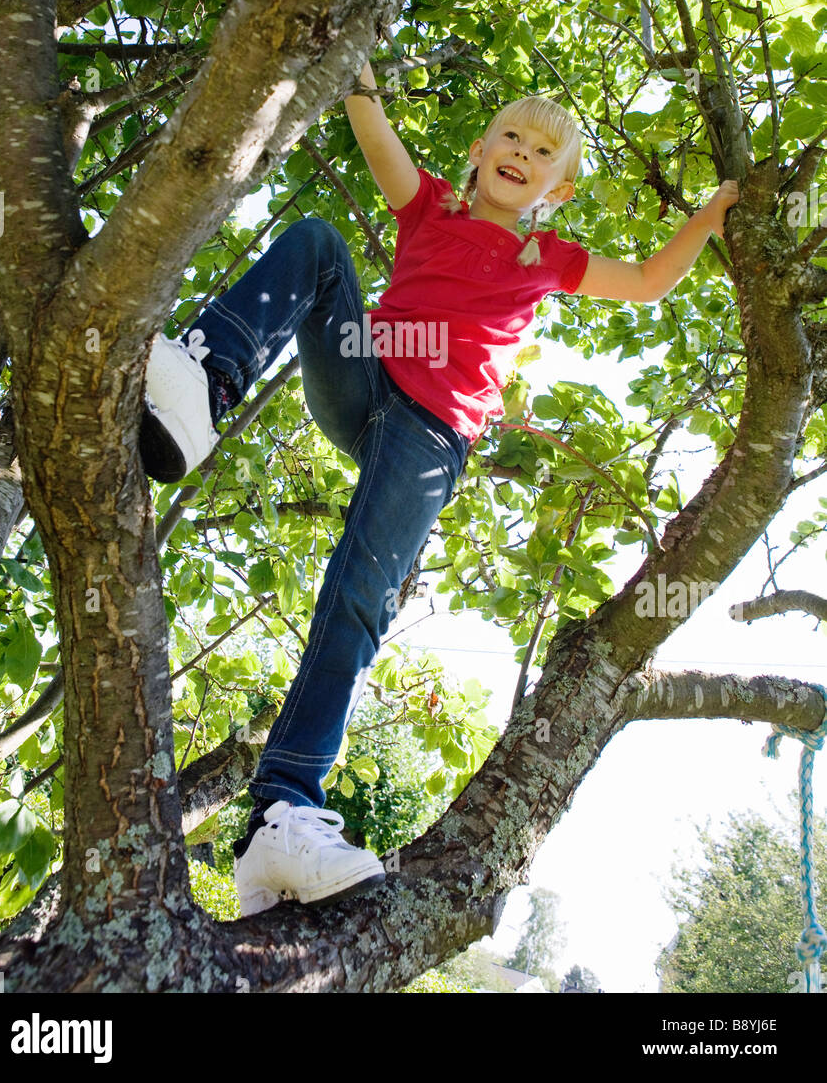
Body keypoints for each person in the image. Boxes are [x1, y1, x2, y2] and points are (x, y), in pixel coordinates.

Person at [139, 59, 739, 916]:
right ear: (478, 147)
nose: (522, 155)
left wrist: (710, 218)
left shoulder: (550, 258)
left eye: (544, 153)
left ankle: (280, 814)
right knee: (315, 241)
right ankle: (205, 379)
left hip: (428, 434)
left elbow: (646, 280)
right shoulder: (429, 210)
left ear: (558, 191)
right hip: (364, 380)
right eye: (512, 137)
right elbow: (374, 131)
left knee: (357, 594)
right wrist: (355, 66)